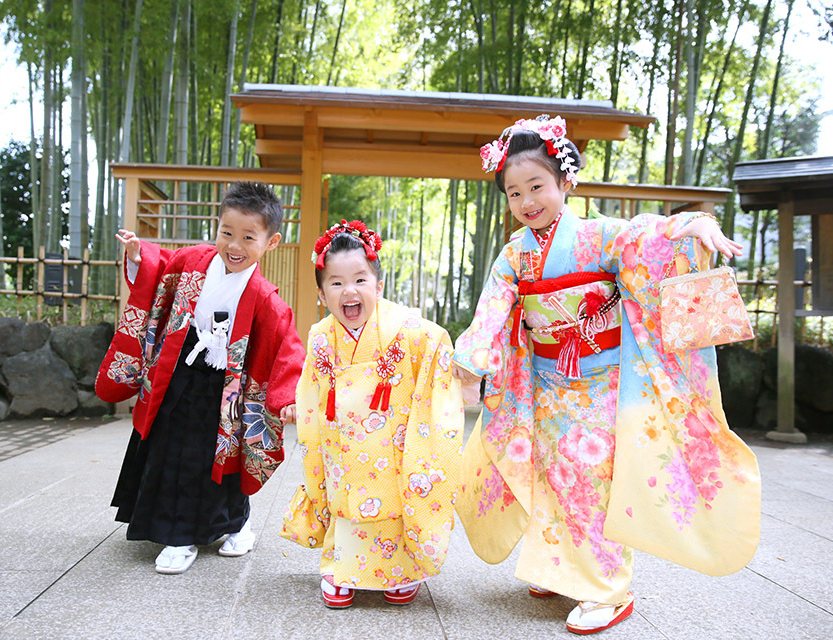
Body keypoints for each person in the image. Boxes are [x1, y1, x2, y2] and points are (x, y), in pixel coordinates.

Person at [451, 115, 760, 634]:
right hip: (546, 383)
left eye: (537, 186)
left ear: (564, 182)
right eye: (514, 193)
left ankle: (608, 588)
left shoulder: (598, 236)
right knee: (549, 475)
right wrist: (471, 360)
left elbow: (650, 238)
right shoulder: (514, 256)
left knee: (589, 479)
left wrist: (695, 226)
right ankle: (562, 568)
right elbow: (493, 307)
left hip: (601, 384)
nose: (528, 201)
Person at [96, 181, 305, 574]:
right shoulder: (192, 261)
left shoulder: (264, 297)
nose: (234, 245)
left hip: (226, 392)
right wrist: (140, 258)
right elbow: (159, 272)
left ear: (271, 241)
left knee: (218, 460)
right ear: (217, 226)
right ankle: (179, 535)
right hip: (177, 373)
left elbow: (286, 349)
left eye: (248, 237)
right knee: (170, 449)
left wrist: (287, 397)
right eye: (227, 232)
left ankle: (235, 525)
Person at [281, 220, 464, 608]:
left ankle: (400, 568)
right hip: (341, 444)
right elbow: (311, 387)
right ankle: (341, 565)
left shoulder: (411, 332)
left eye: (360, 280)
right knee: (344, 498)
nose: (350, 291)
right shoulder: (319, 336)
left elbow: (437, 348)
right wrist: (302, 410)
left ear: (378, 286)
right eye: (336, 282)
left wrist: (464, 361)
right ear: (321, 292)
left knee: (392, 498)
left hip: (389, 444)